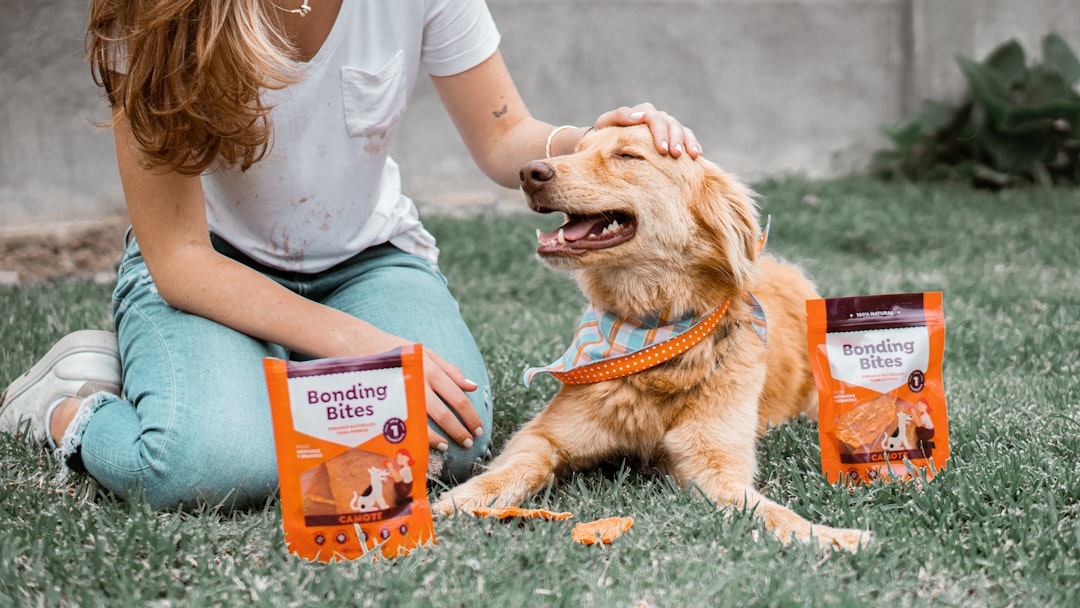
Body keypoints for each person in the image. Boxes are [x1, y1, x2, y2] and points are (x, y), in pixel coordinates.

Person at [0, 0, 701, 510]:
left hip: (367, 261)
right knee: (200, 468)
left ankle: (262, 380)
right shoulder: (153, 13)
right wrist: (371, 349)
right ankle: (72, 401)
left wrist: (597, 141)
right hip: (211, 274)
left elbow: (505, 136)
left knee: (451, 437)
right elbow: (179, 258)